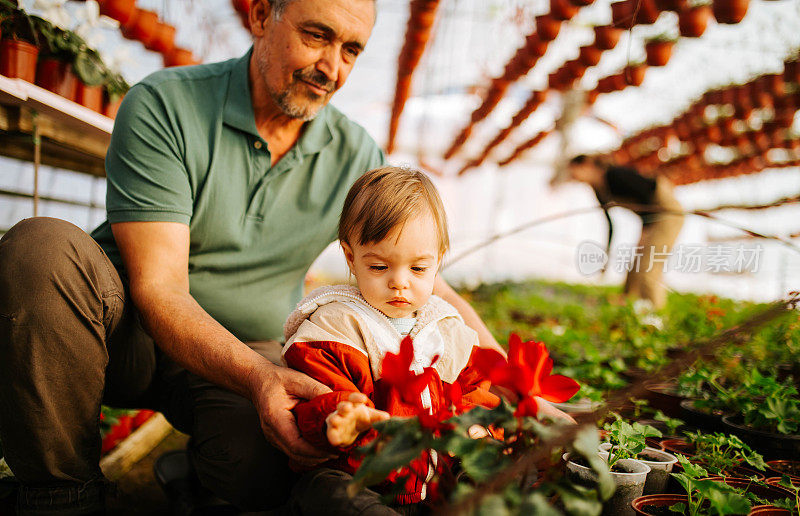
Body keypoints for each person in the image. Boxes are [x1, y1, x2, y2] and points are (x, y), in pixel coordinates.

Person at [0, 0, 507, 513]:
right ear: (262, 15)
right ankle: (61, 496)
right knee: (41, 250)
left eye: (351, 50)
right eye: (316, 36)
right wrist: (261, 379)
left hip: (248, 346)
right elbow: (159, 290)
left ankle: (193, 476)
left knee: (276, 461)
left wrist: (519, 396)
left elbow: (427, 283)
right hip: (120, 334)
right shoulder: (167, 104)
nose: (332, 68)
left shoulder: (355, 156)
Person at [280, 166, 502, 514]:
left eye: (417, 268)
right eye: (380, 267)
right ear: (351, 257)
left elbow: (476, 392)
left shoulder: (449, 333)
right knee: (329, 492)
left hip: (433, 485)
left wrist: (477, 430)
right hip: (360, 478)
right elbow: (308, 400)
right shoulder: (335, 328)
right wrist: (336, 418)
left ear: (438, 259)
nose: (400, 282)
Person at [566, 155, 684, 309]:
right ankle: (628, 303)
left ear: (587, 166)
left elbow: (647, 194)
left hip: (667, 212)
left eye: (575, 171)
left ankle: (656, 314)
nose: (574, 177)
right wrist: (606, 256)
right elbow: (610, 224)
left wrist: (645, 231)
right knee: (635, 263)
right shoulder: (599, 190)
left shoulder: (614, 175)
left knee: (648, 265)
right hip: (651, 218)